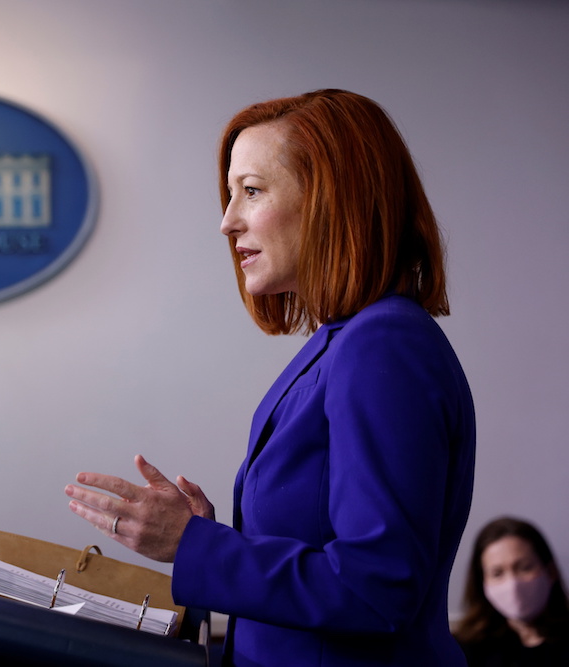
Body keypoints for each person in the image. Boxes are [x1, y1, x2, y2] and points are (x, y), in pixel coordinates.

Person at [64, 89, 476, 666]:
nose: (228, 222)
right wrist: (210, 535)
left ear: (335, 200)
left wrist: (195, 547)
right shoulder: (345, 341)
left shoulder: (384, 345)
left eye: (251, 192)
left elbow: (376, 589)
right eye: (231, 195)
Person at [453, 517, 569, 666]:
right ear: (482, 582)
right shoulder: (462, 649)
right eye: (497, 573)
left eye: (525, 568)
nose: (512, 584)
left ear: (550, 572)